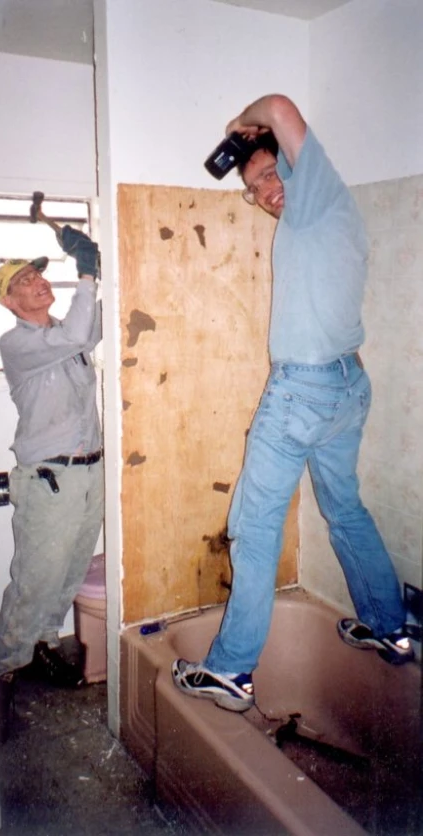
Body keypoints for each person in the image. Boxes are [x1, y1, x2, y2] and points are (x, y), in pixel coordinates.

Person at [172, 93, 413, 714]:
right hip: (344, 389)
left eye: (272, 173)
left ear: (298, 168)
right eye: (254, 187)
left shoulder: (321, 194)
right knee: (344, 507)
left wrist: (236, 126)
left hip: (303, 389)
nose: (265, 190)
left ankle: (229, 670)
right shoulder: (328, 219)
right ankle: (390, 627)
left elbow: (279, 105)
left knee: (251, 528)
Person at [0, 226, 104, 742]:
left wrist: (100, 270)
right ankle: (3, 673)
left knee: (70, 569)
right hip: (50, 478)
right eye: (26, 281)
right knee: (34, 577)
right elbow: (80, 334)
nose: (38, 282)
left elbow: (92, 325)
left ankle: (41, 645)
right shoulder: (17, 343)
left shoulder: (65, 330)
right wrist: (85, 271)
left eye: (40, 273)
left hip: (89, 471)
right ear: (10, 302)